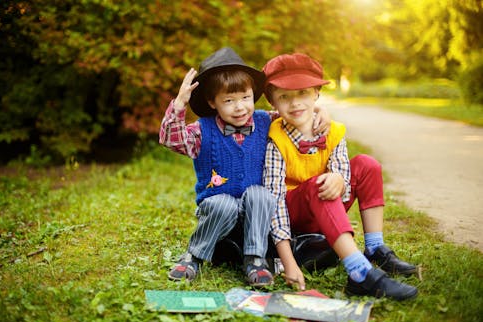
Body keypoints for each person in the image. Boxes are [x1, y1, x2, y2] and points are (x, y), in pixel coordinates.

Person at [159, 47, 330, 287]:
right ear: (212, 102)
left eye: (245, 98)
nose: (239, 107)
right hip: (219, 215)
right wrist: (179, 105)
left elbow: (293, 114)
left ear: (253, 95)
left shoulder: (265, 121)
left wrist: (320, 110)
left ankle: (255, 258)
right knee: (223, 203)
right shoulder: (202, 130)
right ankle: (194, 256)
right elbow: (172, 139)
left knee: (261, 194)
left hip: (257, 216)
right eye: (228, 101)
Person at [262, 53, 418, 300]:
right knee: (319, 184)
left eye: (303, 93)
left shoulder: (333, 131)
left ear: (316, 94)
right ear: (273, 104)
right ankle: (359, 273)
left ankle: (375, 247)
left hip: (325, 203)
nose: (295, 104)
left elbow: (343, 180)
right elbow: (275, 203)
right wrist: (288, 262)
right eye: (284, 97)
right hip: (295, 213)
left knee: (366, 164)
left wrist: (339, 179)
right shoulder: (276, 139)